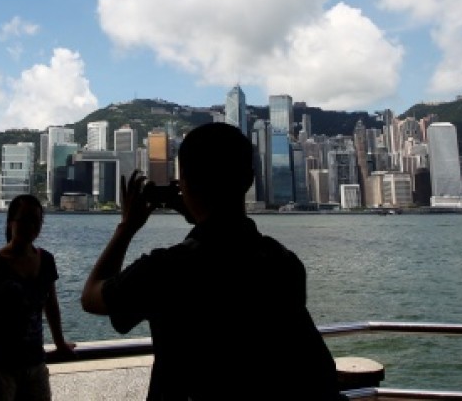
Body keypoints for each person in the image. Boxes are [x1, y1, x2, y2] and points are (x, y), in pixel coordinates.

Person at [81, 122, 339, 400]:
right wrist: (199, 214)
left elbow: (92, 296)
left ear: (184, 185)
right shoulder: (284, 264)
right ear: (250, 180)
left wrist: (126, 228)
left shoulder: (165, 270)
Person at [0, 194, 76, 401]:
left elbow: (51, 306)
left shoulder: (46, 260)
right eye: (25, 220)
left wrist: (60, 344)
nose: (31, 226)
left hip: (35, 363)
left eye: (36, 221)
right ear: (11, 223)